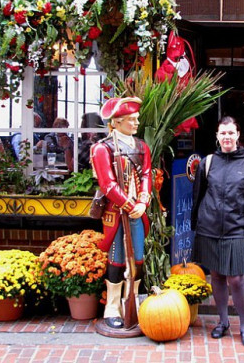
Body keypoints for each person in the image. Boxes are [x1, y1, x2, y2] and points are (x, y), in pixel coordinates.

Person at [191, 116, 244, 346]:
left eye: (231, 133)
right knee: (217, 276)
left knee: (236, 279)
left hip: (237, 228)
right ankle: (222, 322)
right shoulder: (208, 162)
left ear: (238, 135)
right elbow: (198, 195)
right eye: (223, 133)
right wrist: (196, 224)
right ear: (217, 136)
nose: (227, 138)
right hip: (210, 226)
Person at [90, 97, 152, 330]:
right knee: (116, 260)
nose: (137, 123)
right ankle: (112, 307)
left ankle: (132, 303)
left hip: (138, 211)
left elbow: (146, 175)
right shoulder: (102, 148)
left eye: (136, 119)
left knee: (137, 259)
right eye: (132, 120)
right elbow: (108, 184)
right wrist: (129, 205)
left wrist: (143, 201)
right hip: (116, 213)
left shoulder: (141, 147)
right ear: (117, 122)